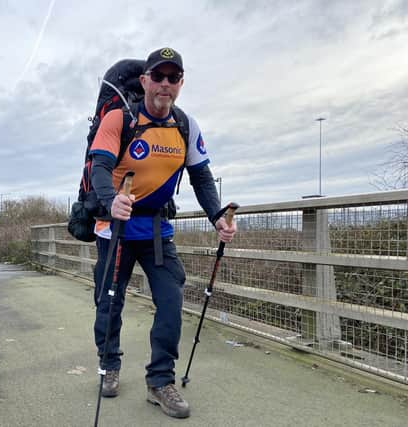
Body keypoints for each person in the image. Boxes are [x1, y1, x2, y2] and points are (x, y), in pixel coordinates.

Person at [89, 47, 237, 419]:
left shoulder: (185, 126)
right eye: (159, 76)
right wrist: (111, 202)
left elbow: (201, 177)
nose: (165, 84)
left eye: (174, 78)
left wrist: (217, 215)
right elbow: (100, 169)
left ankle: (160, 381)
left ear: (180, 84)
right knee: (109, 302)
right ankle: (109, 365)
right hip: (115, 229)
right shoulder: (118, 121)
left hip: (157, 230)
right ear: (145, 81)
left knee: (171, 301)